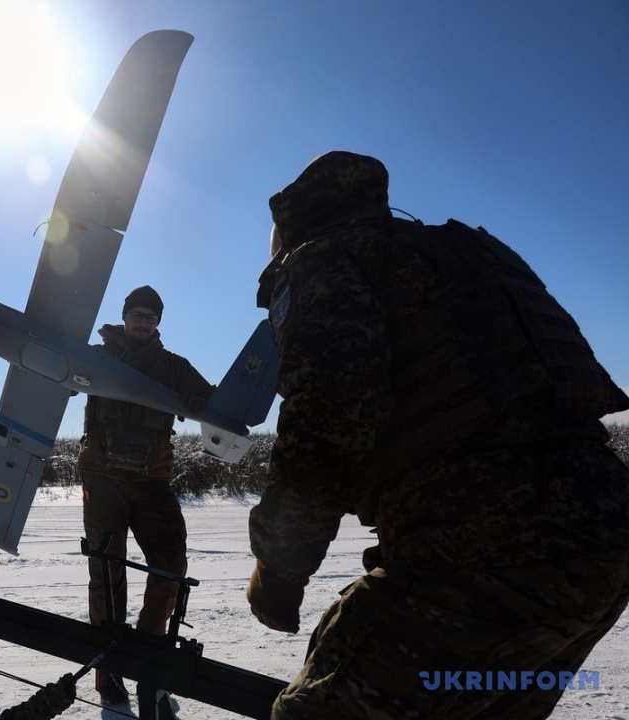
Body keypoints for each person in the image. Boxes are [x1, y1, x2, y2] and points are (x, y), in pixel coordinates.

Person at [246, 150, 629, 719]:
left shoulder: (324, 257)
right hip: (603, 539)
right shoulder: (456, 254)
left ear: (293, 221)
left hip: (484, 547)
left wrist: (279, 567)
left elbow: (330, 417)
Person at [77, 284, 214, 705]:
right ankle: (110, 667)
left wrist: (200, 400)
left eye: (149, 316)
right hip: (103, 480)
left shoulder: (174, 367)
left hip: (153, 482)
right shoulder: (99, 356)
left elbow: (211, 401)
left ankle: (148, 657)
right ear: (125, 317)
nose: (142, 321)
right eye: (136, 314)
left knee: (171, 567)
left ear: (157, 322)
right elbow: (60, 375)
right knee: (106, 572)